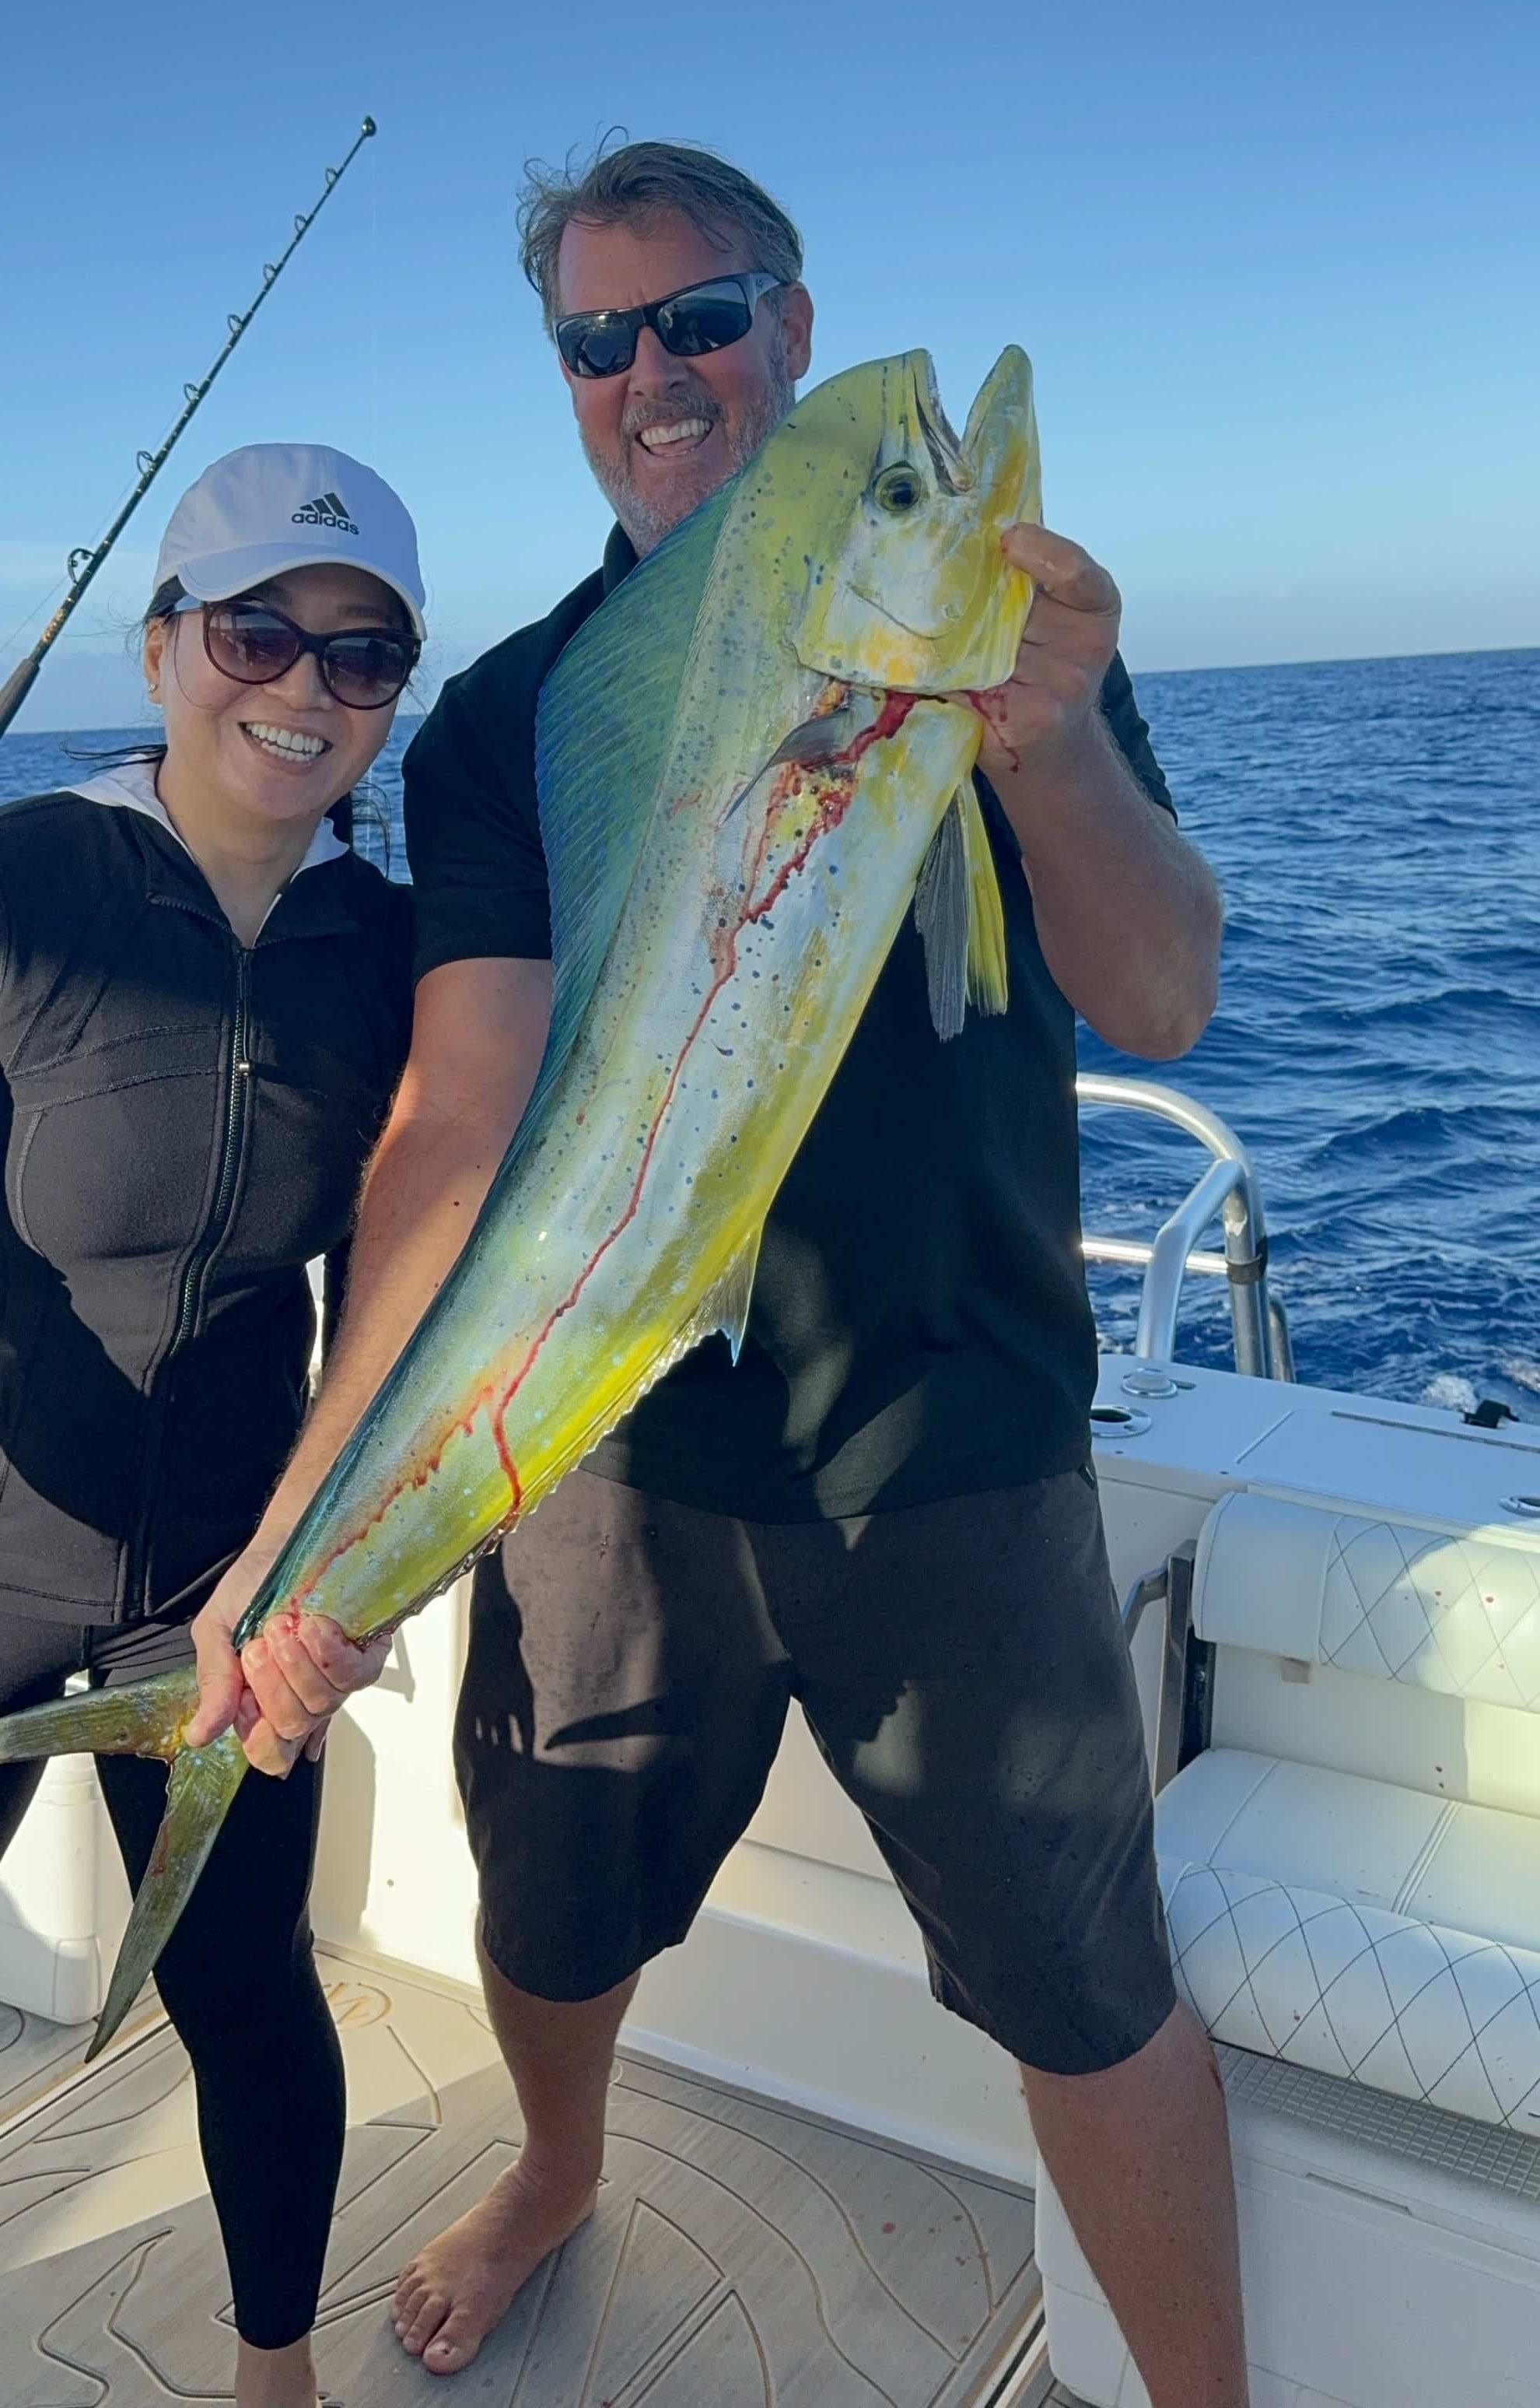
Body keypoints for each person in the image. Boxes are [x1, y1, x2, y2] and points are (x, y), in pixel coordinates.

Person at [191, 148, 1244, 2408]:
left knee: (1084, 1983)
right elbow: (459, 1124)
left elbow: (1156, 996)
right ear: (565, 380)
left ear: (785, 319)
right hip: (606, 1453)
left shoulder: (1002, 633)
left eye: (702, 317)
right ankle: (555, 2172)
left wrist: (1040, 742)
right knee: (550, 1911)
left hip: (953, 1438)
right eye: (601, 338)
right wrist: (313, 1518)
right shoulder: (507, 718)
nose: (654, 373)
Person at [0, 442, 425, 2408]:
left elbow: (412, 1318)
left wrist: (350, 1573)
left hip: (227, 1595)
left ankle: (279, 2379)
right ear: (164, 644)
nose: (306, 686)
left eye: (364, 655)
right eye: (260, 629)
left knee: (245, 1995)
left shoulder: (399, 962)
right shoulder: (28, 878)